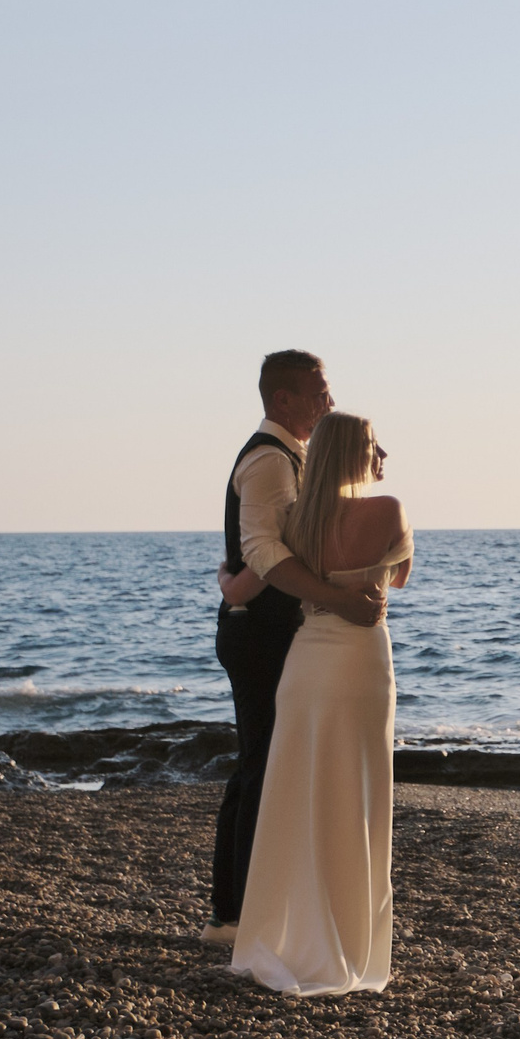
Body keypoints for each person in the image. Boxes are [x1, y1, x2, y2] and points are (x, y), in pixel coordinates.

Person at [205, 350, 383, 947]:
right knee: (261, 766)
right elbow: (264, 552)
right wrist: (332, 599)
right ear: (283, 399)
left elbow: (279, 550)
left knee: (265, 764)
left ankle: (244, 909)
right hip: (260, 632)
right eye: (318, 393)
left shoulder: (297, 460)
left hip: (274, 626)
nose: (328, 402)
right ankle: (233, 917)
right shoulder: (268, 462)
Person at [232, 411, 411, 995]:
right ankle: (348, 943)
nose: (381, 452)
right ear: (356, 454)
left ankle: (286, 933)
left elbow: (250, 577)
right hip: (360, 663)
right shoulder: (387, 509)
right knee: (356, 793)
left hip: (306, 664)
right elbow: (401, 577)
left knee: (300, 794)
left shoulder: (295, 521)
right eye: (372, 444)